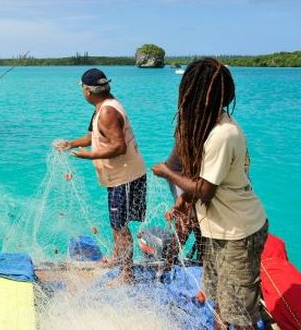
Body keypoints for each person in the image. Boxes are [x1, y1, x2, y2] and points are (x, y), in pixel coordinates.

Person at [151, 57, 268, 330]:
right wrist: (183, 199)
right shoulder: (211, 127)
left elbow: (205, 190)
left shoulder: (223, 135)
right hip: (219, 229)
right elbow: (203, 181)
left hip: (238, 234)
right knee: (217, 298)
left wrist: (167, 173)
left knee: (240, 315)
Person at [56, 68, 147, 284]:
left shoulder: (107, 112)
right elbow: (95, 135)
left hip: (125, 177)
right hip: (120, 176)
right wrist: (72, 144)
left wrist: (90, 156)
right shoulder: (103, 107)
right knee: (117, 223)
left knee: (120, 228)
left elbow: (119, 146)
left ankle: (127, 275)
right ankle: (117, 257)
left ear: (87, 91)